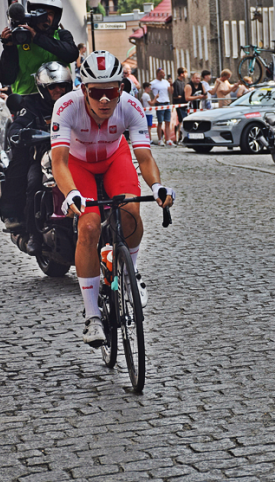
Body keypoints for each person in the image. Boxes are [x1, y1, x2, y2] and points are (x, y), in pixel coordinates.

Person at [49, 50, 175, 346]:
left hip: (114, 158)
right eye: (96, 93)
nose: (104, 100)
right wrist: (72, 195)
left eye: (111, 91)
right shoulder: (65, 107)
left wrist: (156, 186)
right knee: (89, 227)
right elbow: (59, 162)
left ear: (121, 89)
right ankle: (93, 316)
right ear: (83, 90)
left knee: (131, 210)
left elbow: (143, 156)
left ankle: (130, 275)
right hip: (77, 165)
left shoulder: (131, 106)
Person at [0, 61, 73, 254]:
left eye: (62, 86)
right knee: (34, 183)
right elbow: (19, 123)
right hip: (44, 157)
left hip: (76, 154)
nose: (59, 90)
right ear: (43, 88)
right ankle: (34, 234)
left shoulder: (77, 102)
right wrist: (18, 133)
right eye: (53, 87)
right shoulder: (33, 105)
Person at [0, 0, 77, 96]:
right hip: (27, 101)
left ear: (56, 17)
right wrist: (8, 47)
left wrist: (37, 38)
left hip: (59, 98)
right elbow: (6, 78)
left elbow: (72, 54)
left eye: (50, 13)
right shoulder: (20, 37)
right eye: (42, 13)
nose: (46, 17)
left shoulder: (61, 35)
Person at [150, 68, 172, 146]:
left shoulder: (166, 82)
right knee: (160, 122)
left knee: (168, 121)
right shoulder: (153, 83)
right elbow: (148, 91)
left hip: (167, 102)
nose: (164, 74)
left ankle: (168, 139)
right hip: (159, 103)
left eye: (164, 73)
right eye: (162, 73)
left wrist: (171, 84)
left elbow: (171, 92)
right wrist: (154, 99)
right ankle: (160, 139)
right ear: (158, 74)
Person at [172, 67, 187, 143]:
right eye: (185, 73)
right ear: (181, 74)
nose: (186, 75)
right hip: (179, 104)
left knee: (182, 120)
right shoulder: (176, 83)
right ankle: (179, 136)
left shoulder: (183, 82)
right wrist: (181, 96)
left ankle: (181, 136)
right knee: (181, 121)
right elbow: (175, 95)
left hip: (184, 104)